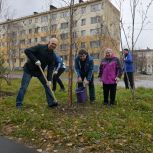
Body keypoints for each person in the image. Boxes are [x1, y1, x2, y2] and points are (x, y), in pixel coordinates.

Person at [16, 38, 59, 108]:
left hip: (39, 72)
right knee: (24, 87)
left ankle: (51, 103)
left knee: (47, 85)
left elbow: (50, 69)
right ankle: (18, 104)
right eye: (52, 43)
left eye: (55, 45)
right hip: (29, 70)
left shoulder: (53, 56)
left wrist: (49, 80)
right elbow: (27, 51)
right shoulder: (40, 47)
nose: (53, 45)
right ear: (49, 42)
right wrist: (35, 60)